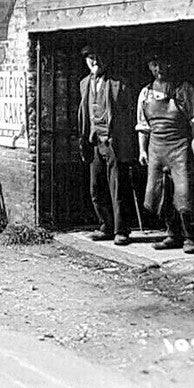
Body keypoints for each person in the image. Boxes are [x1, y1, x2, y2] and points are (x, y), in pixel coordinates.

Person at [137, 54, 194, 254]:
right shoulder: (146, 93)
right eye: (155, 65)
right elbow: (143, 126)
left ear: (171, 63)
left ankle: (189, 238)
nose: (160, 69)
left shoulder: (183, 90)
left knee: (183, 193)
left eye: (163, 63)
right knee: (158, 193)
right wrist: (142, 150)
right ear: (150, 67)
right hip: (156, 148)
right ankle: (172, 234)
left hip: (180, 147)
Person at [77, 46, 137, 245]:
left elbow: (128, 115)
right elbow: (85, 114)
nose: (94, 62)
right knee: (96, 187)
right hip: (95, 142)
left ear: (106, 60)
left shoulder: (118, 84)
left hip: (114, 142)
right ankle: (106, 226)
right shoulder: (84, 83)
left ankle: (122, 230)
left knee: (117, 188)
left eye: (98, 57)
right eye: (90, 58)